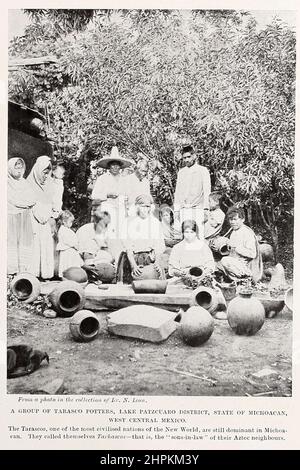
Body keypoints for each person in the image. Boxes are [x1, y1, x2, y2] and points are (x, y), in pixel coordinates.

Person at [117, 194, 166, 283]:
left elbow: (159, 246)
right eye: (142, 206)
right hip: (131, 259)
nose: (145, 209)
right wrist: (134, 266)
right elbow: (128, 248)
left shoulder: (155, 223)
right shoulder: (128, 222)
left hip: (149, 259)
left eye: (148, 206)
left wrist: (157, 263)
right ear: (137, 207)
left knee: (152, 286)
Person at [91, 146, 132, 238]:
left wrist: (126, 202)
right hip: (107, 209)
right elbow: (94, 195)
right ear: (108, 166)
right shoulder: (102, 178)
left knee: (121, 233)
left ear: (120, 166)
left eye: (117, 165)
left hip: (121, 210)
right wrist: (107, 195)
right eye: (112, 165)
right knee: (108, 233)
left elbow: (128, 195)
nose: (115, 167)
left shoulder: (124, 180)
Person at [26, 156, 55, 279]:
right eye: (44, 173)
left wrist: (51, 216)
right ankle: (32, 275)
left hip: (45, 223)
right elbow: (39, 212)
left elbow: (53, 205)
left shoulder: (48, 186)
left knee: (46, 245)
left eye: (48, 173)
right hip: (33, 222)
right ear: (38, 171)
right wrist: (47, 215)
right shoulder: (28, 186)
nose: (46, 176)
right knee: (35, 246)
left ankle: (45, 274)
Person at [174, 145, 211, 239]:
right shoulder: (181, 172)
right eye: (184, 158)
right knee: (186, 236)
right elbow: (177, 192)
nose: (186, 160)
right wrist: (176, 210)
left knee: (199, 236)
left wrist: (206, 209)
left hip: (198, 209)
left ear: (194, 156)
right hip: (184, 209)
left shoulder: (202, 170)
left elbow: (207, 191)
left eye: (188, 157)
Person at [7, 157, 36, 275]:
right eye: (16, 167)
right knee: (11, 242)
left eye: (20, 167)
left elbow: (33, 198)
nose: (19, 170)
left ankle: (24, 269)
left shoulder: (24, 182)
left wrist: (26, 203)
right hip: (11, 216)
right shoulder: (6, 182)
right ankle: (11, 270)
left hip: (24, 216)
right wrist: (24, 203)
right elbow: (11, 200)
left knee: (24, 242)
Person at [218, 207, 263, 283]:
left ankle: (247, 278)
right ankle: (235, 279)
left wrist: (236, 247)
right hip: (236, 263)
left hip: (246, 266)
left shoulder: (246, 232)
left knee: (224, 260)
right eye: (230, 219)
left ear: (243, 219)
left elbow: (253, 254)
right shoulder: (234, 231)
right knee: (217, 264)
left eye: (235, 219)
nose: (232, 222)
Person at [168, 219, 215, 284]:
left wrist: (204, 273)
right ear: (183, 233)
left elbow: (210, 264)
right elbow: (172, 268)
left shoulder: (203, 246)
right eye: (186, 232)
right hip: (183, 277)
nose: (189, 235)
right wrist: (180, 273)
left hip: (202, 276)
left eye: (192, 232)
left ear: (196, 233)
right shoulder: (177, 247)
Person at [56, 210, 83, 278]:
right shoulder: (63, 230)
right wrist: (75, 245)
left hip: (71, 250)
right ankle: (67, 275)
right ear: (64, 222)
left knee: (72, 263)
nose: (71, 224)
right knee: (67, 263)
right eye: (70, 222)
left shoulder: (67, 230)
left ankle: (73, 275)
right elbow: (68, 241)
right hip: (67, 250)